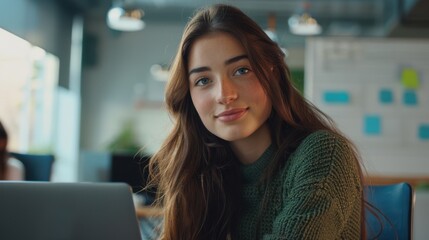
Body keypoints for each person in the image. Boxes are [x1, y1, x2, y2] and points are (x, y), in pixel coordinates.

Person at [148, 4, 364, 239]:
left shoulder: (325, 154)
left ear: (271, 72)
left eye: (241, 70)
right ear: (189, 96)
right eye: (203, 81)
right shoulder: (202, 175)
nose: (224, 95)